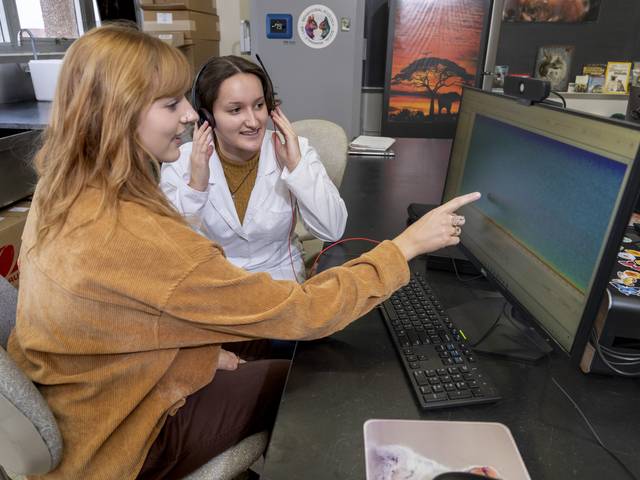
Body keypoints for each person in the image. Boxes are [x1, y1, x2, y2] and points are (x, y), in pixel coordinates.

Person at [7, 24, 479, 480]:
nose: (189, 116)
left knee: (307, 349)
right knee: (315, 381)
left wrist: (200, 356)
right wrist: (408, 244)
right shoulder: (142, 228)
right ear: (117, 114)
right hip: (123, 435)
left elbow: (120, 312)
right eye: (174, 105)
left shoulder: (61, 192)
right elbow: (304, 310)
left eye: (259, 106)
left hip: (99, 390)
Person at [160, 55, 347, 282]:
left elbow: (332, 229)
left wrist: (297, 168)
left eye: (259, 105)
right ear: (206, 116)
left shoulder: (294, 151)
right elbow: (170, 247)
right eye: (235, 110)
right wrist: (196, 186)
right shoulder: (180, 160)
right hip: (213, 279)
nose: (253, 121)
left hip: (279, 277)